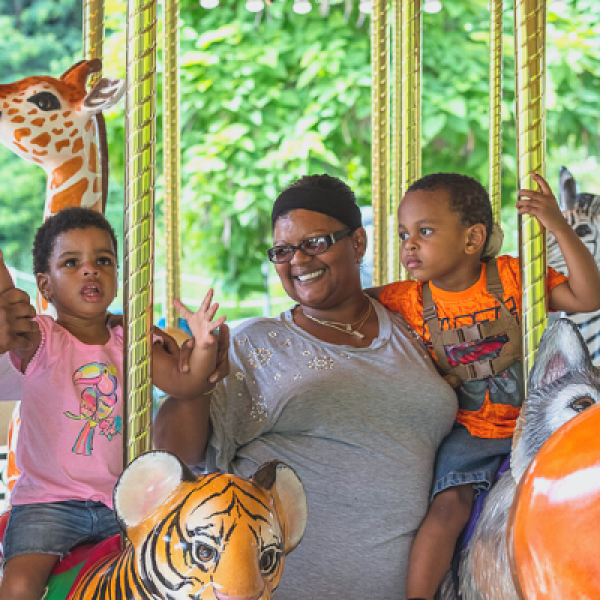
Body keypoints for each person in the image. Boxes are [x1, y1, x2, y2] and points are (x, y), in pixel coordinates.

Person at [153, 174, 458, 600]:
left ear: (358, 243)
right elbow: (177, 456)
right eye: (282, 250)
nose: (297, 260)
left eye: (315, 242)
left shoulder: (412, 327)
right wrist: (195, 386)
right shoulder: (256, 342)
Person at [366, 172, 600, 600]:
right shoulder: (406, 299)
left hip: (532, 424)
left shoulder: (514, 276)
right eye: (403, 234)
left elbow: (587, 297)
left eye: (425, 231)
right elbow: (352, 304)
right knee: (447, 509)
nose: (408, 245)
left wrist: (557, 225)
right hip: (469, 431)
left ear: (473, 238)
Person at [0, 207, 227, 600]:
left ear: (118, 277)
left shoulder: (132, 341)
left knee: (169, 575)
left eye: (103, 261)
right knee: (19, 583)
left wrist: (204, 344)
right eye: (72, 263)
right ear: (45, 285)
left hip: (122, 499)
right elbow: (14, 337)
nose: (90, 271)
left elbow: (184, 382)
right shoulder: (42, 339)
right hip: (47, 503)